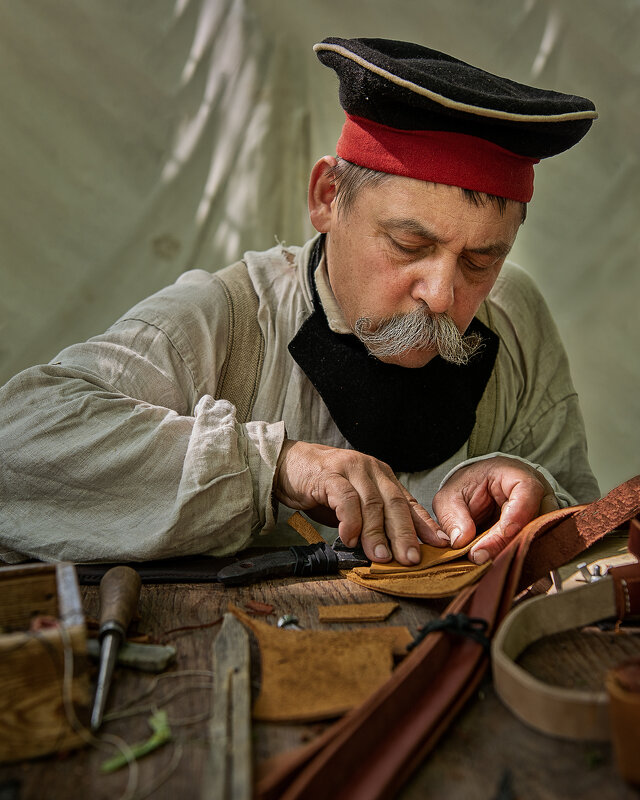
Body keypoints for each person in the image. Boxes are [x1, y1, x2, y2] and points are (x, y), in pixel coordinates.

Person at [0, 37, 600, 567]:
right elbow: (17, 440)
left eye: (479, 261)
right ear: (327, 197)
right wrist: (274, 464)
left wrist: (536, 495)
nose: (442, 295)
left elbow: (588, 534)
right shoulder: (229, 321)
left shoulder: (516, 316)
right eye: (409, 243)